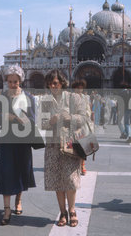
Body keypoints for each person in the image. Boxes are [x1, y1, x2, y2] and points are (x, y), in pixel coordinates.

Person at [42, 69, 86, 228]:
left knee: (70, 179)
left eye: (55, 83)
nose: (52, 86)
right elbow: (42, 123)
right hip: (53, 145)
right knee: (56, 179)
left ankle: (72, 210)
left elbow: (83, 119)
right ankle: (63, 212)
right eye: (49, 83)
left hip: (70, 143)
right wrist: (51, 121)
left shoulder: (74, 98)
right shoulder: (46, 100)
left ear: (62, 82)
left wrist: (70, 117)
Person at [0, 65, 36, 225]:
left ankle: (18, 201)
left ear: (21, 81)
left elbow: (32, 121)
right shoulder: (2, 97)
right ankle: (6, 209)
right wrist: (3, 117)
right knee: (6, 172)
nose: (12, 85)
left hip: (23, 141)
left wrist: (14, 118)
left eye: (15, 82)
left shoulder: (29, 98)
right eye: (10, 81)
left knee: (20, 171)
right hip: (6, 140)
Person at [71, 79, 93, 176]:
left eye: (81, 88)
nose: (79, 90)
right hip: (74, 124)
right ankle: (76, 165)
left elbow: (88, 110)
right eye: (77, 88)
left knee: (84, 145)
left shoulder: (85, 97)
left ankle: (82, 164)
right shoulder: (70, 97)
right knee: (75, 146)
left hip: (84, 124)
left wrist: (86, 114)